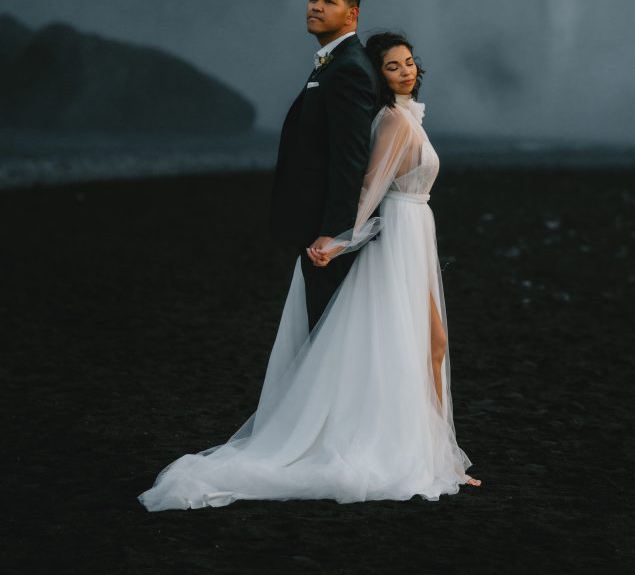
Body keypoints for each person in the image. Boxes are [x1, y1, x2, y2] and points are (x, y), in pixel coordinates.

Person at [138, 28, 479, 511]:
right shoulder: (394, 123)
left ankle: (444, 459)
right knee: (426, 343)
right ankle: (438, 461)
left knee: (430, 342)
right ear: (379, 77)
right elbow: (369, 188)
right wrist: (341, 239)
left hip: (414, 233)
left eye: (409, 63)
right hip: (399, 235)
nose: (406, 71)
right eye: (393, 66)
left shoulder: (403, 118)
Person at [269, 0, 380, 331]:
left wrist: (335, 234)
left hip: (326, 236)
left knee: (328, 330)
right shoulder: (334, 63)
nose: (315, 6)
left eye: (327, 0)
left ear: (352, 13)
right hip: (314, 227)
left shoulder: (349, 69)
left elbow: (351, 157)